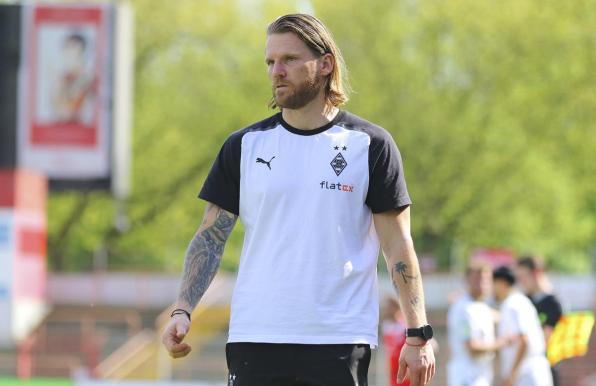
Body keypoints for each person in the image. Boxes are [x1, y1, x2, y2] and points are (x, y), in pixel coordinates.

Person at [161, 13, 435, 386]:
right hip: (255, 336)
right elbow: (210, 236)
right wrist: (183, 309)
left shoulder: (370, 145)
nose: (277, 71)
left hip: (339, 338)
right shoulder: (243, 146)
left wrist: (418, 334)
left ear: (325, 65)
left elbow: (398, 246)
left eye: (289, 59)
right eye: (270, 62)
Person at [447, 260, 511, 386]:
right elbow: (472, 347)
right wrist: (502, 343)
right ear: (466, 280)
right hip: (467, 377)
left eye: (486, 279)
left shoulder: (480, 306)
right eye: (477, 279)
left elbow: (497, 316)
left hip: (481, 375)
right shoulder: (463, 310)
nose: (482, 283)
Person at [493, 266, 553, 386]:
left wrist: (512, 375)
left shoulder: (513, 304)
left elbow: (524, 340)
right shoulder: (517, 302)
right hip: (530, 372)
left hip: (527, 375)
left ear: (501, 283)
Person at [516, 255, 563, 386]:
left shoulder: (552, 303)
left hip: (544, 369)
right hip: (524, 370)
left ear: (536, 273)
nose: (522, 282)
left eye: (524, 276)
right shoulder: (524, 300)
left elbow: (546, 339)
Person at [382, 297, 410, 386]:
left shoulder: (405, 324)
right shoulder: (386, 325)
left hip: (405, 365)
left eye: (391, 307)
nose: (388, 310)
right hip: (393, 366)